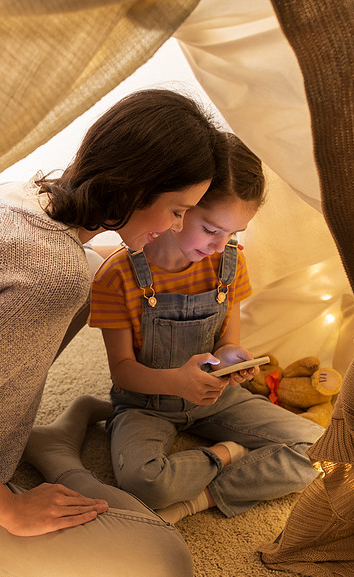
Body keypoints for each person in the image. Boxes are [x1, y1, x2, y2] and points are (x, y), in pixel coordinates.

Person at [0, 89, 226, 577]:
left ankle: (44, 443)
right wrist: (10, 510)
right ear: (138, 189)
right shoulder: (51, 274)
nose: (176, 227)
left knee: (92, 270)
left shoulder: (18, 194)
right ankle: (56, 456)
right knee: (165, 568)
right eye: (178, 210)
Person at [89, 134, 325, 524]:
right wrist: (178, 383)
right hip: (146, 404)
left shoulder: (229, 263)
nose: (220, 245)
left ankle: (201, 500)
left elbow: (228, 342)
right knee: (144, 483)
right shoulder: (117, 275)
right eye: (212, 229)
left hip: (218, 397)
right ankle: (223, 454)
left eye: (233, 233)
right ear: (179, 208)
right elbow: (123, 371)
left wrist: (234, 358)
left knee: (320, 446)